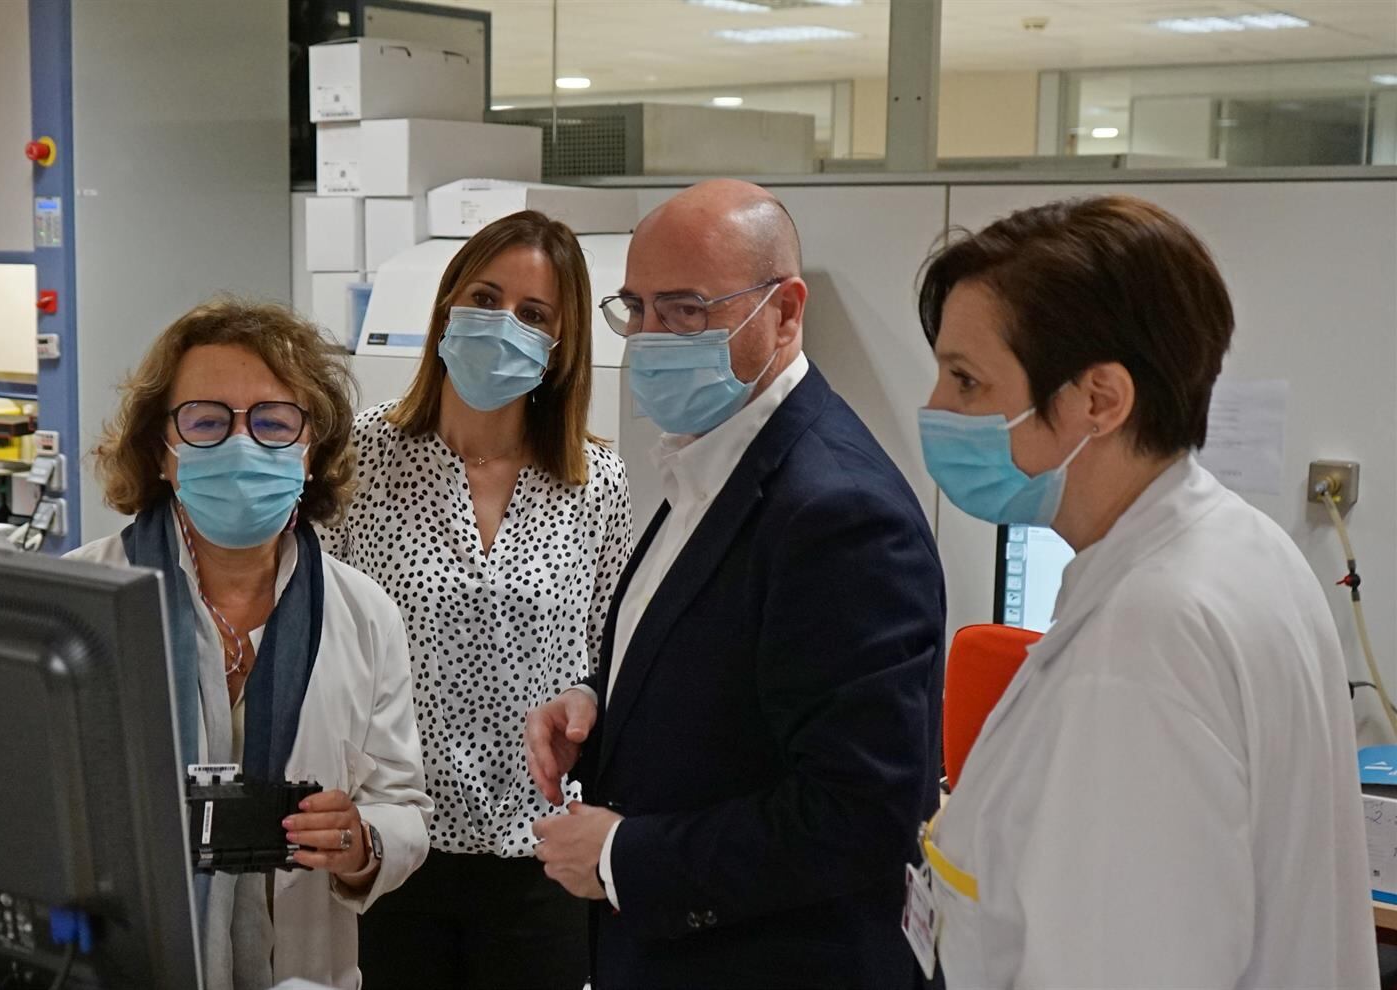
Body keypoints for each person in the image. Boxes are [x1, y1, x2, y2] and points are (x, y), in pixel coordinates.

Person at [911, 196, 1376, 986]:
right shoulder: (1237, 546)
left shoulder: (1144, 636)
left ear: (1100, 399)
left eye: (966, 380)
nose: (935, 409)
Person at [524, 179, 947, 988]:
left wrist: (623, 854)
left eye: (685, 310)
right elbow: (737, 673)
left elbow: (858, 814)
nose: (650, 338)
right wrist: (605, 703)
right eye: (636, 308)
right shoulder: (711, 458)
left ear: (786, 312)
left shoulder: (838, 510)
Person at [66, 298, 432, 990]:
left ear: (309, 449)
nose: (243, 446)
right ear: (161, 451)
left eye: (272, 422)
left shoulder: (364, 614)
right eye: (206, 421)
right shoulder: (80, 602)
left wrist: (362, 841)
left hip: (301, 968)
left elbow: (403, 806)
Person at [325, 211, 632, 989]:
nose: (505, 326)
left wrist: (587, 704)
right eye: (487, 300)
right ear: (446, 310)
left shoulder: (596, 484)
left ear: (560, 351)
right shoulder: (359, 461)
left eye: (533, 315)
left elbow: (613, 658)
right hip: (394, 848)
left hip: (539, 858)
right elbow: (315, 644)